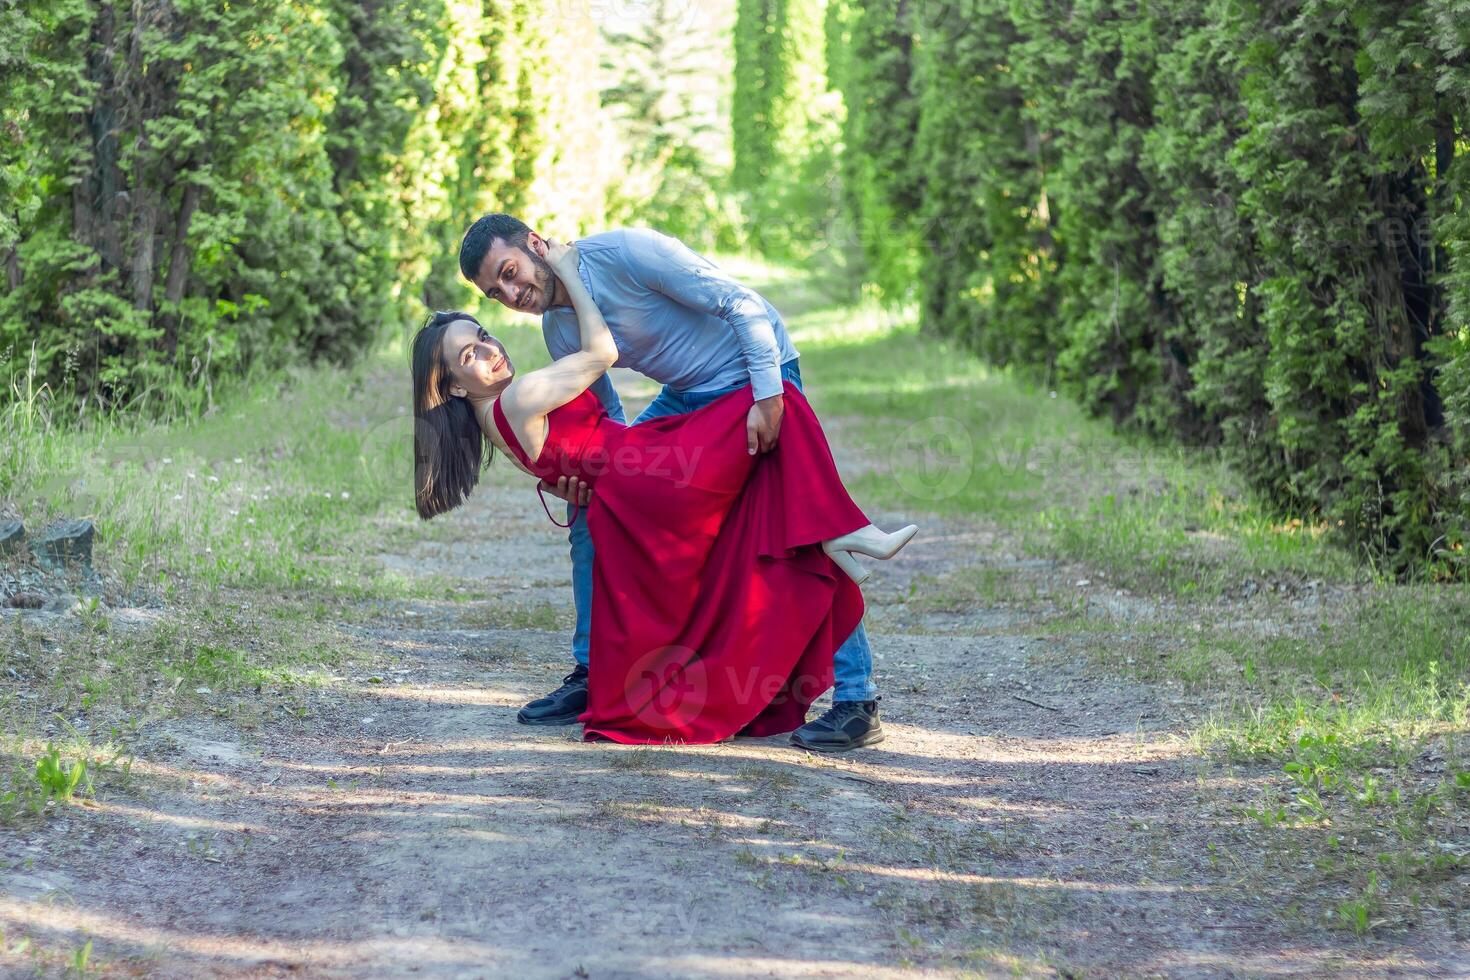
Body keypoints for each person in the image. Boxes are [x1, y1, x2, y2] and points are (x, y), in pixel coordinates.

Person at [412, 237, 917, 745]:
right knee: (595, 525)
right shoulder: (557, 327)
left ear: (535, 246)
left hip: (751, 370)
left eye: (510, 271)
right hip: (683, 401)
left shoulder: (627, 255)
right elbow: (604, 411)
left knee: (787, 488)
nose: (511, 291)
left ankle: (857, 695)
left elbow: (742, 305)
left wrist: (767, 396)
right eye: (496, 292)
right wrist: (591, 479)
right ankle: (597, 673)